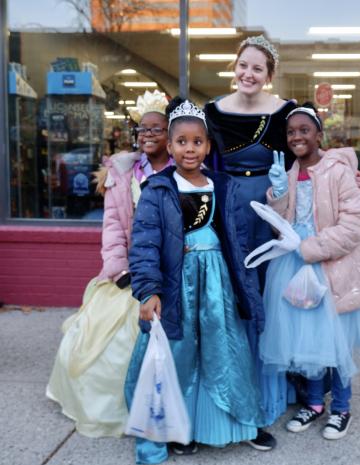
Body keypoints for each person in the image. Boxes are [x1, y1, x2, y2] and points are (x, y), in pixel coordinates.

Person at [204, 35, 360, 436]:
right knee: (236, 288)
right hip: (230, 207)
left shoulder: (285, 112)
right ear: (234, 66)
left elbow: (311, 153)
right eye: (243, 65)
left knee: (282, 299)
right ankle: (240, 376)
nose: (249, 73)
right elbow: (192, 156)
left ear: (269, 75)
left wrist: (347, 169)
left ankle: (294, 386)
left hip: (279, 210)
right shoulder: (212, 111)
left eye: (258, 68)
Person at [125, 98, 266, 464]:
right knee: (179, 353)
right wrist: (148, 290)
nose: (191, 149)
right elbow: (145, 243)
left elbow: (236, 238)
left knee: (223, 348)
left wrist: (244, 285)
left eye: (198, 141)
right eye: (182, 141)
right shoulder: (157, 189)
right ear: (170, 146)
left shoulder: (222, 185)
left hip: (216, 280)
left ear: (208, 145)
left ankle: (225, 424)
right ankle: (178, 429)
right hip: (177, 285)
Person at [46, 90, 171, 437]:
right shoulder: (123, 173)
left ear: (171, 133)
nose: (146, 135)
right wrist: (119, 270)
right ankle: (121, 409)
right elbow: (113, 227)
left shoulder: (185, 171)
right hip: (130, 275)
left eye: (156, 129)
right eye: (142, 129)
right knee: (101, 342)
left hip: (172, 273)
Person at [261, 106, 360, 440]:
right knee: (309, 337)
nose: (297, 137)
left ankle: (341, 408)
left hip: (332, 265)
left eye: (304, 130)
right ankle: (314, 403)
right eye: (291, 132)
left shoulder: (338, 171)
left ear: (319, 135)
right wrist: (277, 194)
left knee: (337, 341)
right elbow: (284, 220)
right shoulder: (289, 171)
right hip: (295, 266)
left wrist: (311, 248)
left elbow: (355, 223)